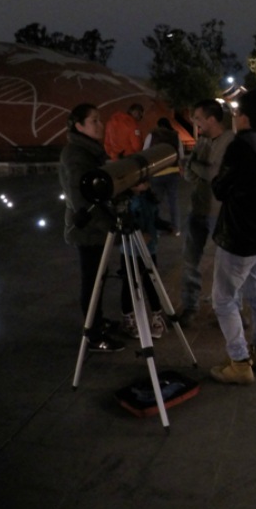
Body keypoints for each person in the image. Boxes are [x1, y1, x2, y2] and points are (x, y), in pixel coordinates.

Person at [208, 89, 256, 385]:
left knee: (224, 299)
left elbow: (220, 188)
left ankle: (239, 361)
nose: (235, 118)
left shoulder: (241, 147)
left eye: (238, 113)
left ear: (246, 118)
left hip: (237, 234)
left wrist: (215, 177)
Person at [59, 103, 125, 352]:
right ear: (79, 126)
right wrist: (111, 226)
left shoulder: (88, 150)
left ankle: (96, 321)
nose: (101, 124)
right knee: (93, 280)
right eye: (94, 121)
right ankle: (93, 334)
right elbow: (83, 199)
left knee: (99, 277)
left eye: (100, 120)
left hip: (94, 227)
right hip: (88, 228)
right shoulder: (76, 154)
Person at [179, 99, 234, 327]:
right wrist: (196, 169)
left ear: (212, 118)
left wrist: (194, 167)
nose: (196, 123)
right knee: (191, 260)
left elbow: (214, 174)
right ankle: (190, 307)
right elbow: (188, 173)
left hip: (219, 211)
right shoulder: (202, 141)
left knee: (226, 264)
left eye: (199, 118)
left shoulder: (230, 142)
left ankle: (230, 311)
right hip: (197, 208)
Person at [120, 182, 167, 339]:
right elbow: (125, 223)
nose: (144, 183)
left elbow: (154, 219)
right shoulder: (126, 202)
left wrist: (167, 226)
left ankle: (156, 316)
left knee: (151, 283)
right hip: (130, 251)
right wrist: (138, 234)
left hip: (149, 249)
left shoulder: (149, 199)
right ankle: (128, 317)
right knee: (129, 284)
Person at [143, 116, 183, 235]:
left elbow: (145, 151)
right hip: (173, 171)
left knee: (157, 202)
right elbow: (180, 153)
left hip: (157, 173)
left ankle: (159, 229)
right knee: (173, 201)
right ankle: (176, 228)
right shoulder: (175, 135)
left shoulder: (152, 135)